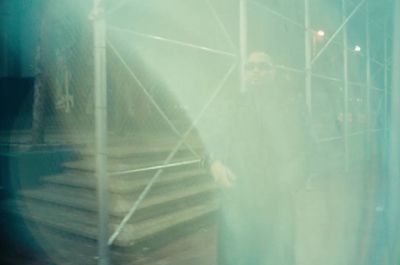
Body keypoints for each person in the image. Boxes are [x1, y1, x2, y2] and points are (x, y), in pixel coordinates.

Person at [208, 51, 312, 265]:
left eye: (263, 66)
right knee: (239, 254)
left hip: (277, 196)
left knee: (276, 254)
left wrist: (295, 174)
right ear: (244, 73)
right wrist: (215, 163)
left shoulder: (292, 106)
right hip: (238, 195)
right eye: (250, 66)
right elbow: (212, 142)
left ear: (274, 72)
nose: (256, 71)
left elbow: (309, 147)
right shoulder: (232, 105)